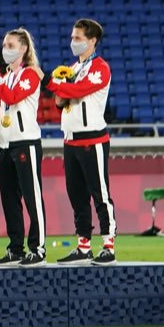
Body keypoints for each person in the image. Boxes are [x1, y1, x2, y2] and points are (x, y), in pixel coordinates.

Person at [50, 18, 117, 266]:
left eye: (77, 38)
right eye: (72, 37)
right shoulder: (72, 69)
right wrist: (61, 86)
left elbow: (77, 92)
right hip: (70, 141)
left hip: (93, 139)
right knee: (76, 196)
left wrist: (55, 83)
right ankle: (83, 246)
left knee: (100, 194)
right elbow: (59, 102)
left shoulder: (100, 68)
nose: (73, 42)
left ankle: (108, 245)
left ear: (92, 41)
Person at [0, 29, 47, 267]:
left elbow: (13, 98)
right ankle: (16, 248)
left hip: (25, 143)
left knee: (32, 197)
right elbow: (11, 111)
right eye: (4, 44)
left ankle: (38, 248)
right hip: (5, 144)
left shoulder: (30, 74)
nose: (6, 48)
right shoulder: (7, 76)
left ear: (23, 48)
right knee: (9, 200)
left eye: (11, 44)